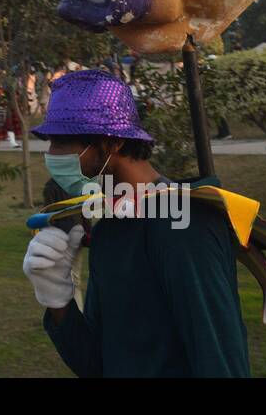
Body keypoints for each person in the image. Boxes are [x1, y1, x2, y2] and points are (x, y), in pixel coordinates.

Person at [22, 69, 250, 377]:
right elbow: (97, 365)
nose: (52, 155)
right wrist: (57, 298)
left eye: (63, 142)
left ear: (112, 143)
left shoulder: (183, 223)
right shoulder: (110, 227)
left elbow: (219, 360)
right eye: (51, 142)